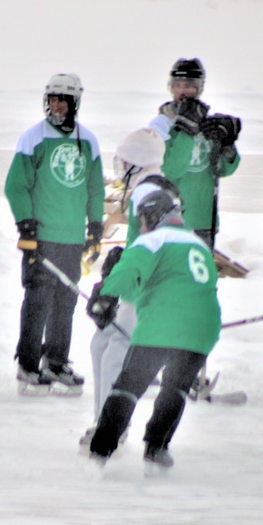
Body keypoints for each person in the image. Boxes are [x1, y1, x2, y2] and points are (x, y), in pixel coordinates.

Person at [85, 188, 220, 471]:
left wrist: (105, 296)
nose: (142, 227)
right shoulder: (198, 244)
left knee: (128, 388)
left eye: (143, 220)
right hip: (202, 329)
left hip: (162, 326)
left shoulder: (155, 239)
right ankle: (156, 449)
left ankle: (100, 451)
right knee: (175, 388)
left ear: (154, 216)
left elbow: (129, 269)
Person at [5, 72, 106, 396]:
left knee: (66, 301)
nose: (57, 106)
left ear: (75, 103)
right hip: (42, 237)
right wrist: (26, 223)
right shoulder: (33, 138)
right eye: (52, 99)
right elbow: (15, 186)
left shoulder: (88, 140)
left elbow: (94, 187)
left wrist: (94, 225)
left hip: (72, 237)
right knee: (38, 300)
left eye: (63, 100)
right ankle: (29, 365)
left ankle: (56, 361)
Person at [82, 128, 181, 444]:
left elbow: (153, 247)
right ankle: (103, 420)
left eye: (123, 161)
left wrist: (115, 290)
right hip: (139, 284)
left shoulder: (146, 191)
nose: (119, 167)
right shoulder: (150, 186)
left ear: (137, 162)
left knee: (115, 352)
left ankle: (113, 426)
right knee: (101, 344)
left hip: (148, 289)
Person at [148, 58, 241, 248]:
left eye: (190, 85)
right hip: (171, 218)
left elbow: (222, 170)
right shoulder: (160, 124)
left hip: (205, 219)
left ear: (200, 88)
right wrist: (186, 130)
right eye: (178, 85)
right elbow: (172, 169)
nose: (183, 91)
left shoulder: (207, 123)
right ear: (171, 87)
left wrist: (228, 146)